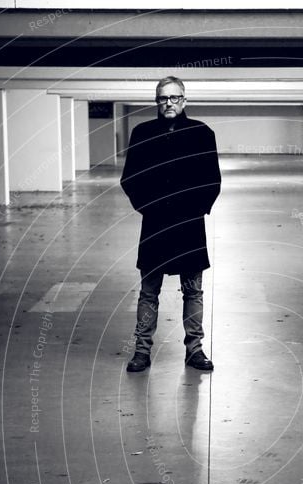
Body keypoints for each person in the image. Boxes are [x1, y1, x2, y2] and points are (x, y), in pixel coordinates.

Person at [120, 76, 221, 372]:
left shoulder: (202, 133)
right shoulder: (142, 133)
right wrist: (148, 208)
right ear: (156, 101)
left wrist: (196, 209)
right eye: (163, 98)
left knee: (193, 290)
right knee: (149, 291)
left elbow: (212, 179)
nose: (169, 103)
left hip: (189, 226)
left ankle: (195, 350)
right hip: (155, 225)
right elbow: (130, 179)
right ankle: (141, 351)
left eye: (175, 98)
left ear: (184, 100)